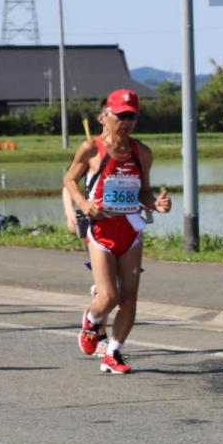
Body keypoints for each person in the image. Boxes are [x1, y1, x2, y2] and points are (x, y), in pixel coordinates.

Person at [65, 90, 172, 374]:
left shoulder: (142, 152)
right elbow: (70, 179)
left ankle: (114, 352)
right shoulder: (91, 149)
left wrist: (156, 204)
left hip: (131, 230)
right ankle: (91, 320)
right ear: (107, 116)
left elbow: (144, 193)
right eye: (121, 115)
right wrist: (84, 204)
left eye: (132, 116)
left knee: (129, 298)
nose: (126, 121)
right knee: (108, 297)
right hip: (101, 230)